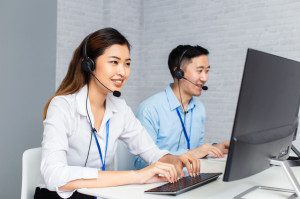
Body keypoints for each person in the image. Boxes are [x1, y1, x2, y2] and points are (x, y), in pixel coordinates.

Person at [35, 28, 199, 199]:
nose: (123, 72)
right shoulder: (62, 106)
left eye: (127, 63)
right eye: (114, 62)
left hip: (96, 194)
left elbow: (150, 151)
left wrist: (173, 159)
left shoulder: (120, 108)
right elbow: (54, 175)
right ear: (89, 64)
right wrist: (137, 176)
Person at [134, 45, 229, 169]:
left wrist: (215, 148)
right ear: (178, 73)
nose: (204, 78)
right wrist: (188, 155)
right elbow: (140, 162)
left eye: (207, 71)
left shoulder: (199, 108)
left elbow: (197, 151)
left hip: (190, 176)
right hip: (158, 181)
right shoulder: (150, 109)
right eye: (199, 71)